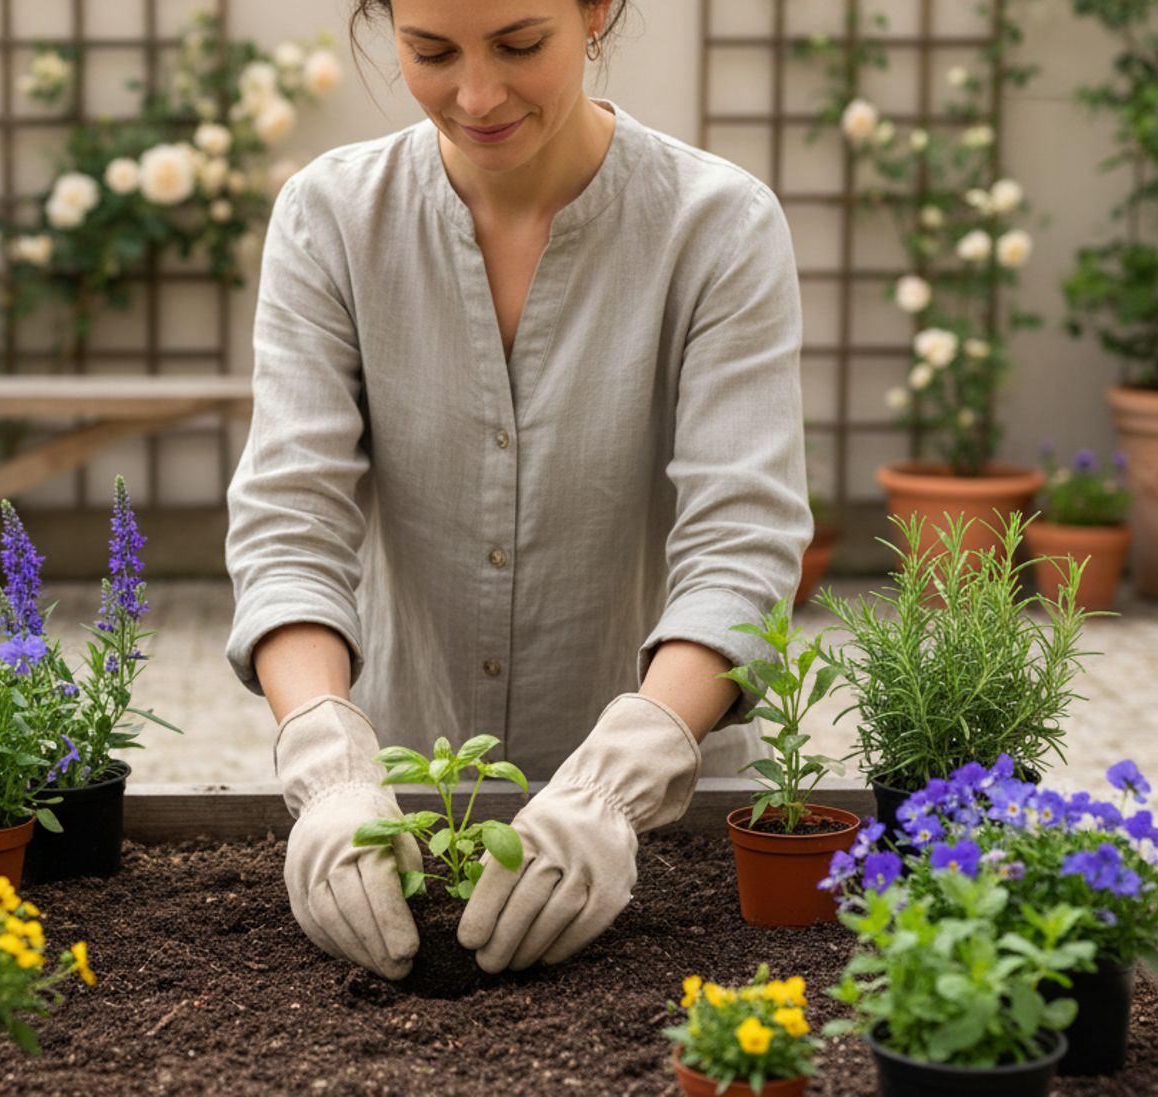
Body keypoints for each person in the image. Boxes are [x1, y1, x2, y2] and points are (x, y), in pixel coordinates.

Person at [224, 0, 810, 981]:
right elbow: (292, 522)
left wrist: (619, 783)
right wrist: (328, 766)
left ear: (594, 12)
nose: (478, 94)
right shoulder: (332, 218)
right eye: (431, 51)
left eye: (520, 44)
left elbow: (741, 543)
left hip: (672, 835)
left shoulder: (718, 226)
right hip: (408, 820)